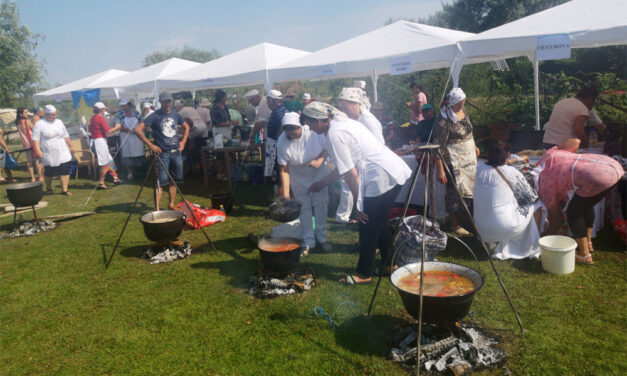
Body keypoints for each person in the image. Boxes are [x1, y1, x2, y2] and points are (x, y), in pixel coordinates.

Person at [304, 102, 412, 285]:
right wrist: (323, 183)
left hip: (380, 177)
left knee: (367, 226)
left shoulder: (334, 134)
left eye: (311, 123)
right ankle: (390, 265)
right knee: (379, 222)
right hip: (392, 170)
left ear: (322, 120)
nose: (310, 128)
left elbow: (351, 174)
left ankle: (363, 273)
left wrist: (358, 206)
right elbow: (343, 167)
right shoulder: (342, 123)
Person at [538, 138, 623, 265]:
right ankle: (588, 243)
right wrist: (560, 147)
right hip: (611, 165)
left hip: (597, 174)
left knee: (574, 212)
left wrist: (541, 239)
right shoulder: (550, 153)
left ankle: (584, 254)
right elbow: (576, 142)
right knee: (584, 204)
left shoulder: (544, 187)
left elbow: (557, 219)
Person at [474, 141, 542, 260]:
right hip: (503, 228)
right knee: (538, 205)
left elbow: (495, 167)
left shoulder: (479, 167)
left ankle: (492, 241)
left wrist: (515, 160)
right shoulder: (512, 172)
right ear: (508, 154)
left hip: (479, 229)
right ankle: (531, 243)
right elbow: (530, 197)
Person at [277, 112, 332, 255]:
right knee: (304, 210)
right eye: (287, 129)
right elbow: (284, 169)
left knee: (320, 206)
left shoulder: (313, 133)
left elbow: (327, 148)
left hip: (318, 173)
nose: (291, 133)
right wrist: (287, 193)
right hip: (299, 178)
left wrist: (319, 161)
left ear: (301, 126)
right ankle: (308, 242)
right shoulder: (282, 142)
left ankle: (322, 238)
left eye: (294, 129)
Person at [432, 87, 478, 236]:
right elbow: (438, 145)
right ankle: (454, 223)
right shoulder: (443, 120)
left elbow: (468, 130)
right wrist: (440, 168)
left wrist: (474, 144)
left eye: (463, 102)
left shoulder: (463, 112)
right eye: (459, 103)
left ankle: (471, 219)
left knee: (471, 189)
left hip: (468, 158)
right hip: (454, 160)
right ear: (452, 103)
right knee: (454, 191)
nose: (461, 106)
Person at [335, 86, 385, 224]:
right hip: (362, 167)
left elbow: (379, 147)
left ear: (357, 104)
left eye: (345, 107)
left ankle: (371, 241)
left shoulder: (369, 121)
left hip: (372, 169)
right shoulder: (355, 119)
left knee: (370, 210)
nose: (343, 111)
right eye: (342, 108)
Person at [135, 92, 190, 211]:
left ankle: (171, 204)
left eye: (169, 101)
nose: (167, 104)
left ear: (171, 101)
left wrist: (183, 141)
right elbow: (138, 129)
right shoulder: (154, 116)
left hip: (176, 152)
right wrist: (150, 144)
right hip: (162, 154)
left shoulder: (176, 114)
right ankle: (157, 209)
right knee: (160, 182)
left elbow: (187, 126)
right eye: (165, 101)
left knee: (174, 180)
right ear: (160, 102)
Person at [32, 105, 75, 196]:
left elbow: (65, 135)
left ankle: (64, 190)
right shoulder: (39, 124)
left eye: (55, 114)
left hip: (62, 150)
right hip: (49, 151)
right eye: (52, 115)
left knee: (64, 169)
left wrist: (71, 146)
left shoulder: (59, 122)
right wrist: (38, 151)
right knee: (49, 172)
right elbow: (35, 139)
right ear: (46, 114)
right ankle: (49, 188)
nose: (54, 117)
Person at [90, 102, 122, 189]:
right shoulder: (100, 118)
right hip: (100, 141)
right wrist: (117, 127)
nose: (104, 110)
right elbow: (109, 131)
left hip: (98, 140)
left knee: (110, 161)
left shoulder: (93, 118)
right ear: (101, 109)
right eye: (104, 109)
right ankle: (101, 183)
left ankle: (115, 178)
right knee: (103, 163)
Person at [174, 99, 207, 176]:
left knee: (190, 150)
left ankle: (192, 168)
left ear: (178, 107)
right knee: (200, 151)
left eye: (176, 108)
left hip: (194, 130)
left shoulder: (180, 112)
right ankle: (202, 168)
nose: (176, 109)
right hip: (203, 128)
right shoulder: (191, 108)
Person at [114, 99, 145, 180]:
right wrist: (128, 130)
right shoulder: (119, 114)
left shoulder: (136, 113)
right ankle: (129, 172)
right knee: (126, 153)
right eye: (122, 105)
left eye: (125, 105)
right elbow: (117, 126)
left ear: (129, 104)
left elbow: (142, 122)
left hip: (137, 137)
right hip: (125, 137)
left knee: (138, 152)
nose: (123, 107)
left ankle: (138, 171)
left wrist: (137, 130)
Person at [265, 89, 287, 192]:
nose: (267, 103)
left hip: (277, 144)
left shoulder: (278, 111)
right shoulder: (279, 110)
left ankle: (281, 194)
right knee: (278, 169)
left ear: (272, 100)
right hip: (276, 142)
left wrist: (278, 138)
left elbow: (283, 123)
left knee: (278, 169)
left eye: (268, 100)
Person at [16, 107, 44, 182]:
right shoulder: (27, 121)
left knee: (29, 161)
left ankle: (32, 178)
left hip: (25, 144)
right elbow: (35, 129)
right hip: (33, 142)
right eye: (25, 112)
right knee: (37, 160)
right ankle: (40, 177)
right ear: (20, 114)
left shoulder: (17, 122)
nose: (27, 114)